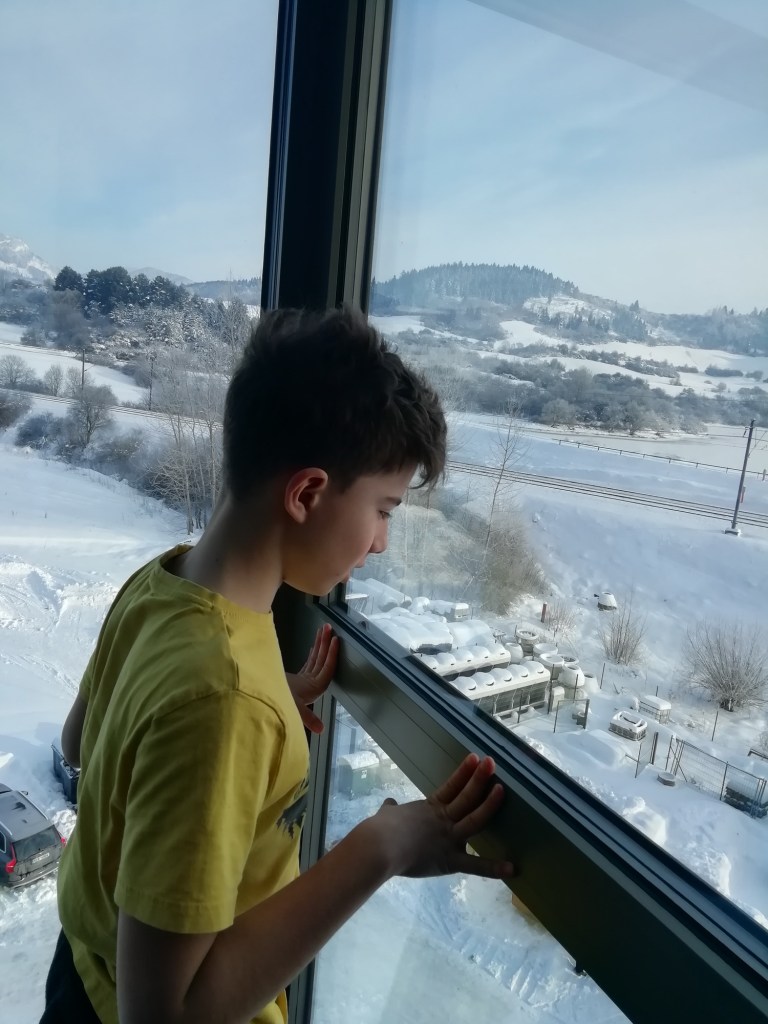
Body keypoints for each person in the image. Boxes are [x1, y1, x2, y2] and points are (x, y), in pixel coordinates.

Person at [42, 307, 514, 1024]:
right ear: (306, 494)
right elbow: (164, 1014)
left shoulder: (161, 583)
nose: (381, 543)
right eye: (384, 509)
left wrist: (259, 697)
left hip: (78, 974)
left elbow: (84, 743)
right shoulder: (224, 700)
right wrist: (380, 847)